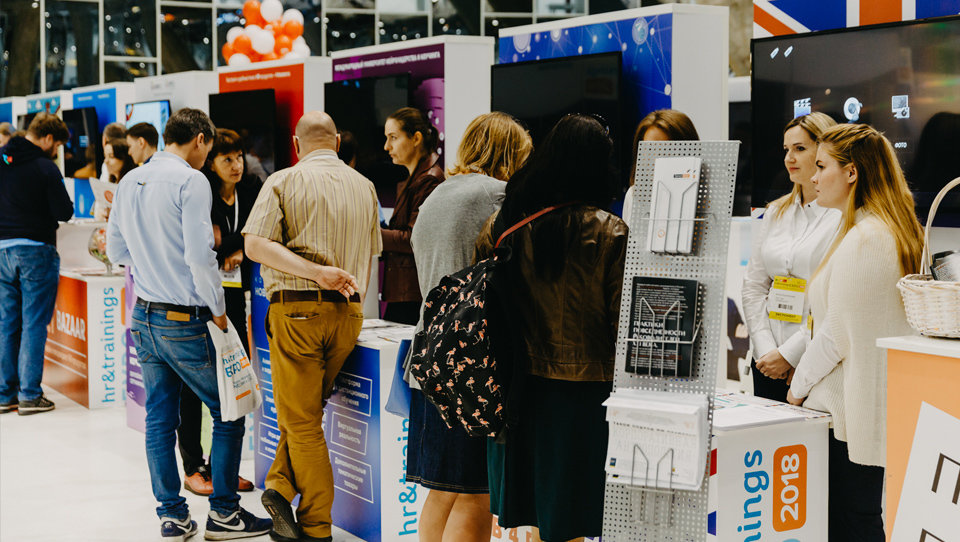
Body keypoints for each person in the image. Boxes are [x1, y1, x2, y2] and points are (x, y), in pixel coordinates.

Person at [106, 108, 272, 541]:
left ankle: (173, 516)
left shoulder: (130, 180)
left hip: (144, 315)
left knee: (160, 420)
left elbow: (115, 251)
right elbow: (201, 257)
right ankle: (225, 514)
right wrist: (218, 309)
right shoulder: (190, 180)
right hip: (186, 317)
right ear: (200, 140)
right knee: (230, 411)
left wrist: (153, 263)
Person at [475, 114, 627, 542]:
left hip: (516, 391)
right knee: (572, 516)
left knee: (540, 515)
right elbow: (622, 322)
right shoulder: (610, 231)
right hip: (584, 395)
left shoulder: (505, 227)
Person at [243, 111, 381, 542]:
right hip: (349, 315)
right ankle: (280, 487)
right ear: (337, 142)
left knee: (301, 422)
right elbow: (371, 253)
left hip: (298, 312)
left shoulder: (283, 180)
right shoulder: (365, 186)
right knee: (305, 411)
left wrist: (316, 273)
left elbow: (254, 245)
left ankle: (317, 527)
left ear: (295, 143)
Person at [786, 123, 923, 541]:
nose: (813, 176)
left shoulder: (869, 238)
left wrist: (796, 389)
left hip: (847, 415)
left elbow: (836, 335)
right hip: (852, 412)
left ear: (851, 172)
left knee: (853, 522)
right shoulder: (877, 230)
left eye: (821, 166)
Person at [407, 112, 532, 542]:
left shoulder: (438, 193)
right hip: (472, 364)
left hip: (430, 357)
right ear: (511, 153)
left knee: (443, 488)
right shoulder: (497, 194)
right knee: (475, 491)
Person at [174, 128, 262, 497]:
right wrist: (240, 242)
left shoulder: (252, 189)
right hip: (199, 299)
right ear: (212, 162)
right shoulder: (202, 192)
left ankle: (222, 468)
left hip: (235, 298)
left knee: (233, 379)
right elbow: (206, 245)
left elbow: (261, 233)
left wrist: (238, 246)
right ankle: (194, 467)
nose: (236, 165)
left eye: (239, 157)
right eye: (227, 159)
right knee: (193, 388)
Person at [741, 112, 840, 402]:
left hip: (814, 362)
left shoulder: (841, 216)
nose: (789, 158)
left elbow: (833, 303)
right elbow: (753, 286)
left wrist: (790, 355)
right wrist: (767, 351)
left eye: (799, 148)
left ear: (823, 152)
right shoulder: (776, 211)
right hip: (766, 361)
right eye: (786, 149)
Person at [0, 113, 73, 415]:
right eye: (57, 145)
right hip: (36, 252)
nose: (56, 151)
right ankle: (30, 394)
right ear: (47, 138)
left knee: (7, 323)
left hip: (2, 250)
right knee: (33, 323)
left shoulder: (2, 160)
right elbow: (64, 212)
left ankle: (5, 394)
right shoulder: (45, 167)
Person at [381, 107, 445, 324]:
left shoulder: (429, 180)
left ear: (416, 138)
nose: (387, 146)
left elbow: (413, 238)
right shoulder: (416, 180)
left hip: (413, 295)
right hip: (406, 292)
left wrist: (369, 233)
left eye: (393, 137)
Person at [622, 109, 699, 221]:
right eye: (650, 150)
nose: (656, 159)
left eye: (666, 151)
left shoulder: (705, 197)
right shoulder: (634, 194)